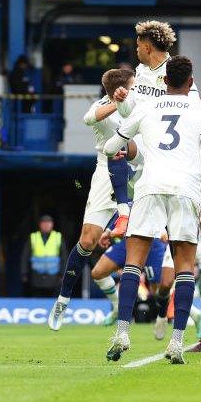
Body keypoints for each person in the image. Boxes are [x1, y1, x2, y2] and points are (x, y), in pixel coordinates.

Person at [101, 55, 201, 364]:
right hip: (187, 191)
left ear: (164, 81)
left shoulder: (147, 107)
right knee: (184, 268)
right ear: (191, 83)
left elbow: (112, 146)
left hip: (150, 187)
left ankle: (122, 333)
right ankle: (176, 343)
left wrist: (122, 153)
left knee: (132, 263)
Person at [48, 68, 136, 331]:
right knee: (87, 241)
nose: (136, 87)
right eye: (132, 85)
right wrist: (117, 103)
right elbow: (89, 118)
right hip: (106, 172)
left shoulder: (141, 100)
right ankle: (63, 300)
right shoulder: (103, 106)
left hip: (143, 170)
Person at [23, 215, 63, 298]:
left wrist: (62, 273)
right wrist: (24, 273)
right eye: (44, 223)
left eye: (48, 223)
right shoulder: (33, 237)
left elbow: (65, 256)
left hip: (54, 276)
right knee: (36, 298)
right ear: (40, 225)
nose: (46, 225)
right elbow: (25, 256)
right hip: (36, 275)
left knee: (53, 299)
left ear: (52, 224)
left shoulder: (58, 237)